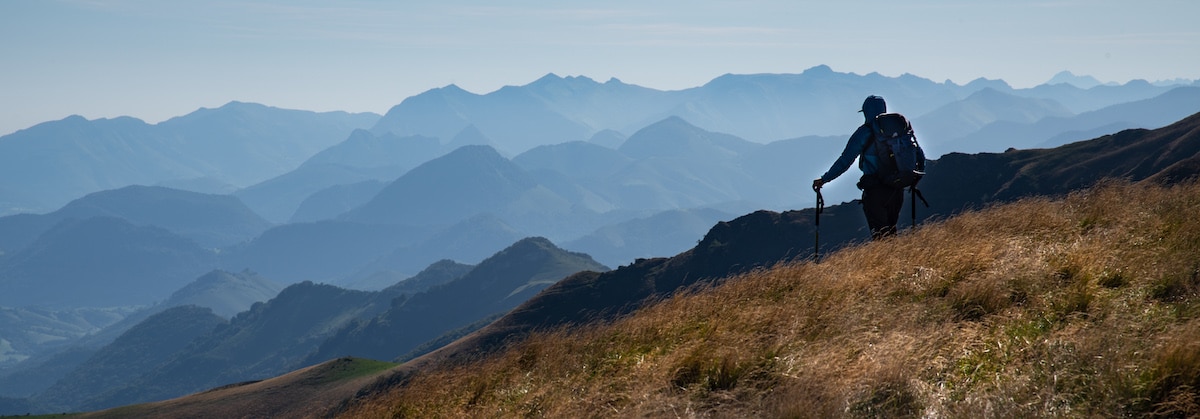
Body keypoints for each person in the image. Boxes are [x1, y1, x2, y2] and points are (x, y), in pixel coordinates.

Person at [812, 95, 908, 240]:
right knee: (891, 232)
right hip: (897, 188)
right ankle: (898, 261)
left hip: (875, 190)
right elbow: (915, 153)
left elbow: (845, 161)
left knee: (881, 237)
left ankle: (889, 261)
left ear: (866, 112)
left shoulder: (864, 132)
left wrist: (824, 179)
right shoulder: (899, 129)